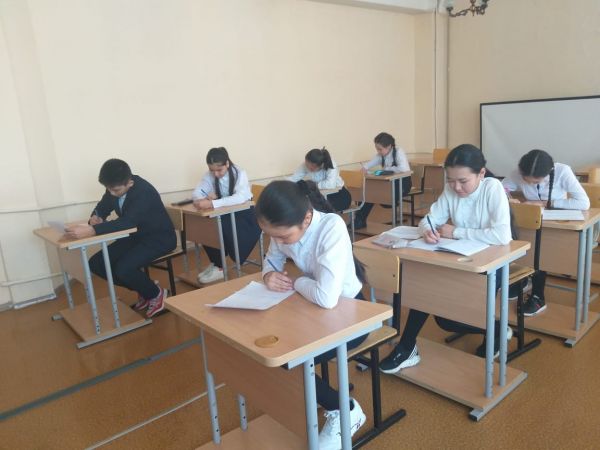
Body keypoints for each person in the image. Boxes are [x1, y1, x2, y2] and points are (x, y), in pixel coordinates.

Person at [379, 144, 513, 374]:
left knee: (448, 320)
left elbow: (502, 236)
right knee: (428, 291)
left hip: (492, 264)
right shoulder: (451, 190)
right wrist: (427, 230)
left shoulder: (492, 188)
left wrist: (456, 232)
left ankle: (497, 328)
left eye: (463, 181)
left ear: (481, 173)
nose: (456, 187)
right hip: (459, 258)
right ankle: (407, 347)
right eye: (451, 180)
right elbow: (429, 219)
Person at [256, 179, 366, 450]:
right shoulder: (283, 228)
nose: (278, 242)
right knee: (269, 351)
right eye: (272, 236)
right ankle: (317, 393)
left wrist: (296, 282)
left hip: (352, 314)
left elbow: (327, 298)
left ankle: (346, 409)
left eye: (283, 237)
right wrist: (269, 275)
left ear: (306, 219)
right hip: (311, 307)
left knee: (289, 359)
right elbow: (271, 260)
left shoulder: (331, 227)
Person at [64, 159, 176, 318]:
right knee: (97, 263)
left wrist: (92, 230)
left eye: (115, 190)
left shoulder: (144, 191)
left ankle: (156, 294)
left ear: (129, 183)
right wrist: (96, 217)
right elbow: (102, 206)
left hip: (158, 238)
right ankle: (146, 288)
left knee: (124, 268)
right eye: (108, 189)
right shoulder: (114, 186)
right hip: (135, 237)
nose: (111, 193)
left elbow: (128, 222)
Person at [502, 149, 590, 316]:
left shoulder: (563, 171)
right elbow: (502, 188)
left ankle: (538, 296)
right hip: (530, 224)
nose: (528, 183)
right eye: (526, 180)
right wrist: (508, 198)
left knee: (541, 253)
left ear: (548, 173)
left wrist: (544, 203)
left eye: (534, 181)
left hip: (554, 226)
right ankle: (523, 280)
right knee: (520, 247)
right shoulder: (519, 172)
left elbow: (583, 203)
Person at [192, 147, 262, 284]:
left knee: (219, 225)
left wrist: (213, 203)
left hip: (244, 214)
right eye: (212, 170)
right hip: (225, 211)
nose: (215, 174)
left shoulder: (239, 173)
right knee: (205, 224)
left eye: (219, 170)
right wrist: (202, 199)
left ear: (227, 164)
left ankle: (220, 266)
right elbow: (197, 192)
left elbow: (240, 197)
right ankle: (217, 263)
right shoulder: (210, 174)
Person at [353, 132, 412, 229]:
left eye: (380, 149)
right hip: (388, 183)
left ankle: (392, 204)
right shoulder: (381, 155)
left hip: (402, 183)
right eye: (377, 149)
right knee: (367, 192)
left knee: (378, 194)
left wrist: (387, 169)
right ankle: (359, 220)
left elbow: (404, 169)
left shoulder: (398, 152)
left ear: (389, 146)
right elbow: (370, 164)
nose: (378, 151)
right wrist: (364, 168)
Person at [288, 147, 351, 211]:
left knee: (314, 209)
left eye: (312, 168)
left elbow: (331, 184)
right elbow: (294, 178)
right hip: (321, 196)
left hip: (339, 196)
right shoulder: (305, 165)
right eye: (307, 165)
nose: (308, 168)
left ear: (321, 165)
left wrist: (313, 185)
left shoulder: (330, 164)